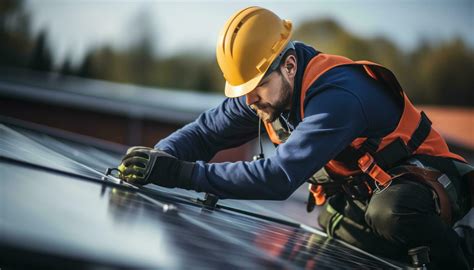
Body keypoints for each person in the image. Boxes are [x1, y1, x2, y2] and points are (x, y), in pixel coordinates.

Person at [117, 6, 473, 268]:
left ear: (289, 65)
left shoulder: (338, 97)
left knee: (393, 214)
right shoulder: (265, 93)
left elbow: (278, 178)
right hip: (370, 192)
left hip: (430, 182)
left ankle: (461, 254)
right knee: (333, 222)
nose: (250, 99)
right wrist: (158, 158)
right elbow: (206, 131)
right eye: (243, 91)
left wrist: (182, 175)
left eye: (256, 88)